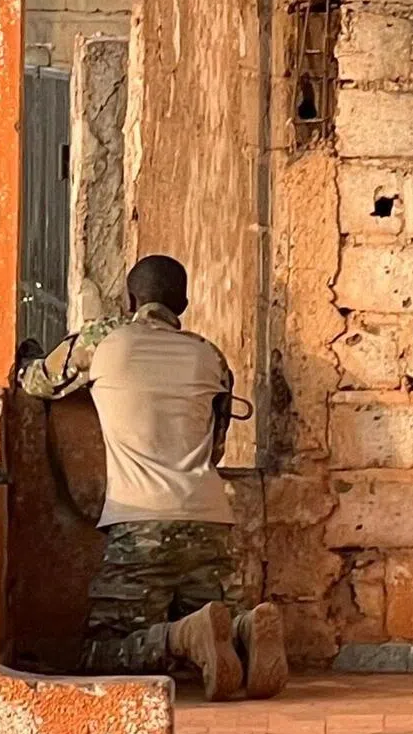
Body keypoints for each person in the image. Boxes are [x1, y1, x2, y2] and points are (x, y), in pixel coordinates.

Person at [16, 254, 288, 702]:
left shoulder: (103, 340)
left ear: (130, 299)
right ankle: (243, 631)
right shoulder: (212, 357)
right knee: (206, 615)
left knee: (99, 654)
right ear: (182, 302)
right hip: (208, 523)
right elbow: (216, 447)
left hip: (138, 526)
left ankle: (182, 639)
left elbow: (37, 382)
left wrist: (28, 356)